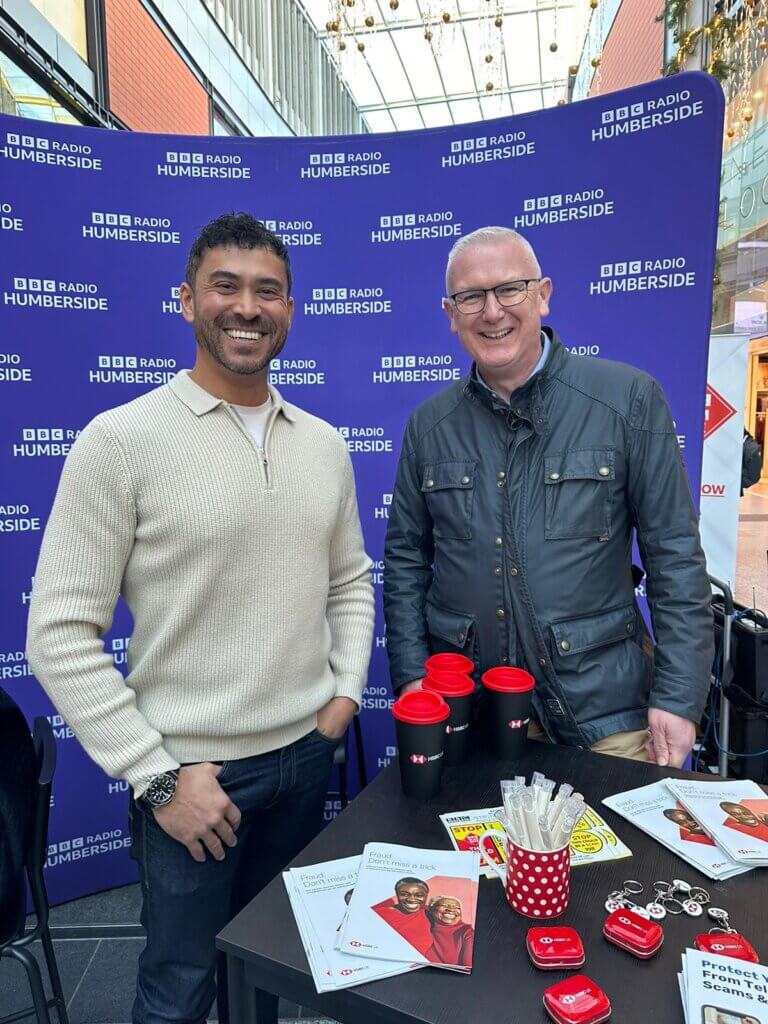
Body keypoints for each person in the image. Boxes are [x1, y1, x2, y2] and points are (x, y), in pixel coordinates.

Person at [26, 213, 375, 1024]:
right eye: (226, 286)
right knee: (179, 986)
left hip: (301, 761)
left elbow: (351, 583)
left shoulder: (323, 444)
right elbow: (57, 632)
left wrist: (344, 697)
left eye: (267, 291)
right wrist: (154, 775)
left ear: (290, 309)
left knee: (266, 975)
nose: (246, 307)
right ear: (187, 301)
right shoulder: (120, 442)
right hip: (191, 779)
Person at [384, 226, 713, 767]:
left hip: (606, 719)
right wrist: (413, 675)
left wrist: (678, 697)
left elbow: (674, 555)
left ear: (543, 294)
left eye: (510, 289)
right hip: (476, 716)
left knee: (618, 856)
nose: (492, 312)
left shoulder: (627, 400)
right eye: (471, 297)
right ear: (450, 312)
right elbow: (404, 562)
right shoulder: (429, 427)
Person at [371, 877, 435, 957]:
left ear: (426, 896)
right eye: (404, 894)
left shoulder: (430, 913)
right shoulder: (378, 913)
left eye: (419, 895)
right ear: (397, 894)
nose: (411, 899)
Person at [426, 895, 474, 968]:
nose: (451, 910)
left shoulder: (467, 931)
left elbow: (468, 967)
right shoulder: (425, 926)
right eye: (444, 905)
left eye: (456, 907)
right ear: (431, 910)